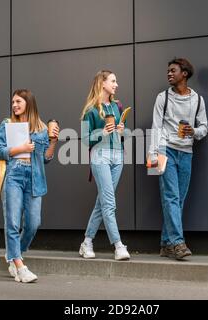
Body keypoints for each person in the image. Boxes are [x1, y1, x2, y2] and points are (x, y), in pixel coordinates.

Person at [0, 89, 59, 283]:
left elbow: (46, 159)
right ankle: (19, 265)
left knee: (33, 224)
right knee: (13, 222)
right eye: (13, 102)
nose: (14, 105)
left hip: (34, 178)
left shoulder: (41, 128)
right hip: (13, 176)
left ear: (28, 103)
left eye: (18, 101)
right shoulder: (7, 124)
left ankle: (15, 256)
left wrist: (53, 141)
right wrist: (20, 149)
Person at [147, 58, 208, 260]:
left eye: (173, 70)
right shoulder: (162, 98)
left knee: (178, 199)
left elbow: (205, 127)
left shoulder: (197, 100)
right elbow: (156, 127)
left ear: (185, 74)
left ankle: (166, 243)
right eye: (168, 71)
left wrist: (194, 131)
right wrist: (153, 154)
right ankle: (178, 243)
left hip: (187, 152)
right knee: (171, 197)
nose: (169, 74)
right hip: (166, 150)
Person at [79, 70, 130, 261]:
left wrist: (122, 131)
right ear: (102, 83)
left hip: (118, 157)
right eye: (113, 81)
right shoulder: (90, 110)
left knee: (102, 202)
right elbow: (85, 140)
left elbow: (122, 136)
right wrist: (103, 133)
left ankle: (87, 242)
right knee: (109, 203)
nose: (116, 85)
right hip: (100, 157)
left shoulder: (118, 106)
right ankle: (118, 245)